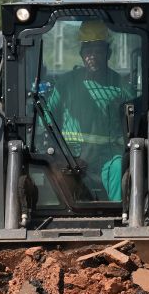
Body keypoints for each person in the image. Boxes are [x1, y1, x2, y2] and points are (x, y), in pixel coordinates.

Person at [45, 19, 132, 201]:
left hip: (106, 155)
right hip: (70, 154)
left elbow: (133, 119)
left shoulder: (121, 86)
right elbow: (47, 118)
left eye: (98, 51)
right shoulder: (66, 83)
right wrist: (58, 151)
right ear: (81, 54)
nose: (92, 56)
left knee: (118, 167)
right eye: (88, 51)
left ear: (108, 53)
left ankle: (119, 215)